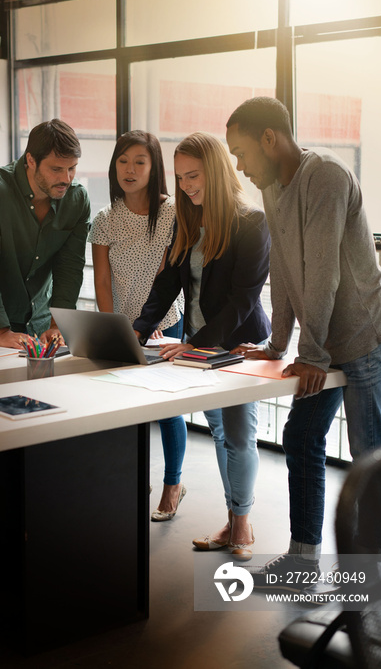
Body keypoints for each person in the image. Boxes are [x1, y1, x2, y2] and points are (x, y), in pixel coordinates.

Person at [226, 96, 381, 585]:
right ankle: (302, 559)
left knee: (370, 460)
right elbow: (284, 269)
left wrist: (310, 352)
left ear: (269, 139)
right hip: (323, 346)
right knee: (301, 437)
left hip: (363, 339)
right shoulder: (275, 187)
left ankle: (371, 579)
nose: (240, 166)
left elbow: (322, 273)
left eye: (242, 152)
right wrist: (278, 343)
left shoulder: (327, 178)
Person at [133, 132, 271, 559]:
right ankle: (233, 521)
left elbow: (243, 299)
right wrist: (137, 330)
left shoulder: (252, 222)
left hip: (237, 345)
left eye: (194, 175)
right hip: (200, 348)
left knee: (238, 436)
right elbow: (167, 283)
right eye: (180, 178)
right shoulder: (187, 220)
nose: (187, 185)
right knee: (220, 435)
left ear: (215, 170)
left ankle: (242, 525)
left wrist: (196, 345)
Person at [88, 130, 187, 521]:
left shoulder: (172, 212)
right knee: (126, 406)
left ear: (154, 167)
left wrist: (151, 326)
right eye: (123, 160)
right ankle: (134, 477)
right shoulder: (105, 218)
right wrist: (116, 327)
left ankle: (172, 485)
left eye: (139, 162)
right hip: (124, 325)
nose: (129, 169)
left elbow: (167, 276)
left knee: (166, 409)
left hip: (164, 324)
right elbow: (100, 279)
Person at [0, 119, 90, 348]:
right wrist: (2, 333)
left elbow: (69, 268)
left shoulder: (76, 198)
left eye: (72, 168)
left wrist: (58, 324)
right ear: (31, 160)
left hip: (42, 319)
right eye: (56, 169)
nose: (66, 179)